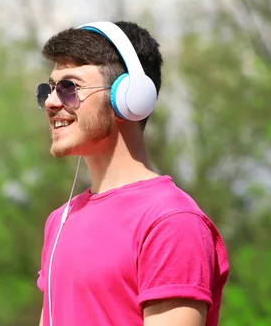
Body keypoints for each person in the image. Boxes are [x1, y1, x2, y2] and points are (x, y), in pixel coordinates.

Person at [34, 21, 229, 326]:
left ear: (128, 98)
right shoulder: (59, 221)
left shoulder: (170, 222)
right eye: (47, 89)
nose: (50, 101)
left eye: (69, 87)